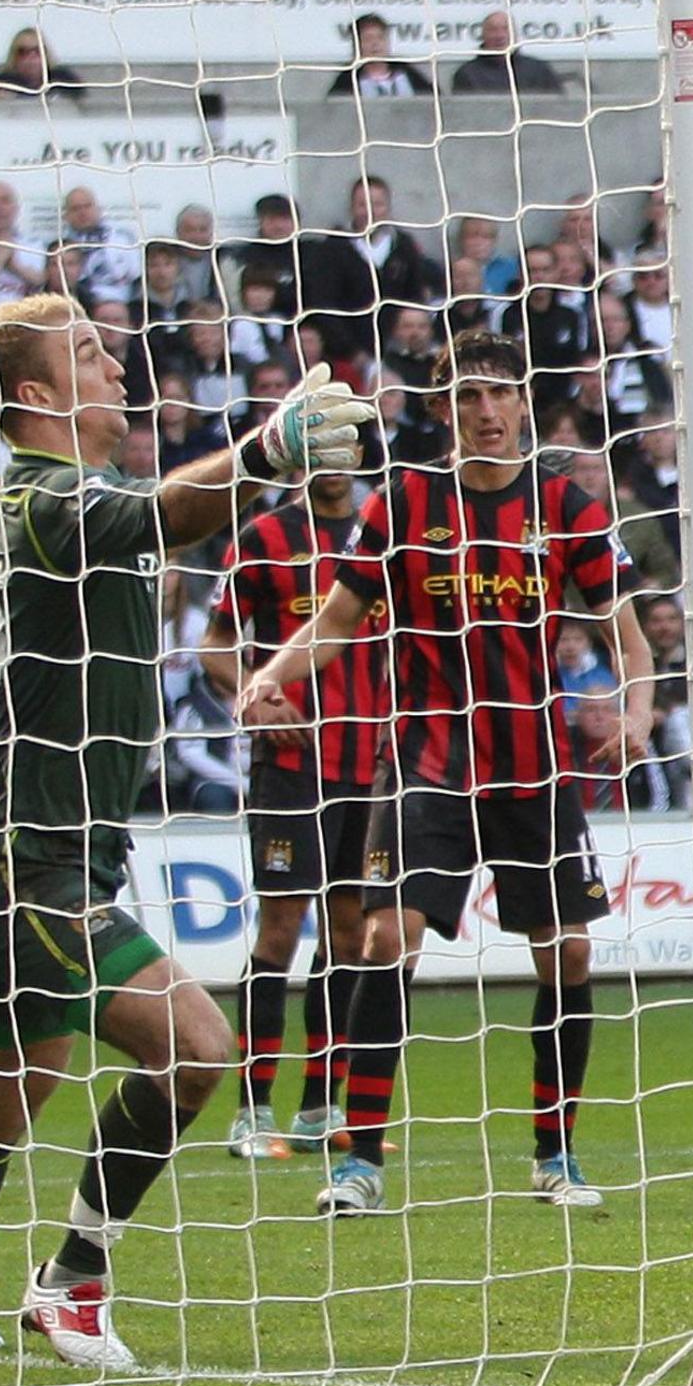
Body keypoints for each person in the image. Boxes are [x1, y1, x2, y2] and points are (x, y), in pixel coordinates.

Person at [0, 296, 373, 1366]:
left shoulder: (79, 498)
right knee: (201, 1051)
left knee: (2, 1096)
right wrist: (267, 452)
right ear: (37, 397)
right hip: (34, 865)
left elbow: (159, 512)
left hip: (45, 850)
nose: (117, 366)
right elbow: (170, 513)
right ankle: (73, 1283)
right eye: (91, 354)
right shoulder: (46, 500)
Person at [241, 332, 654, 1215]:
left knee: (568, 953)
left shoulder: (567, 508)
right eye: (468, 396)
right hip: (426, 759)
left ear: (524, 406)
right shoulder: (402, 504)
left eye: (502, 393)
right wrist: (272, 672)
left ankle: (555, 1154)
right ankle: (357, 1162)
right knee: (386, 940)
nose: (488, 410)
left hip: (536, 769)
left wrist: (640, 709)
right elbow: (340, 619)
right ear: (443, 411)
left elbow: (632, 636)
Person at [203, 445, 399, 1164]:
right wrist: (258, 691)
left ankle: (322, 1105)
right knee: (281, 925)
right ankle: (251, 1112)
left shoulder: (385, 535)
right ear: (302, 461)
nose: (336, 465)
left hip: (367, 764)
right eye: (323, 453)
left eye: (347, 451)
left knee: (351, 936)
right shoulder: (262, 539)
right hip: (290, 765)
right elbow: (215, 646)